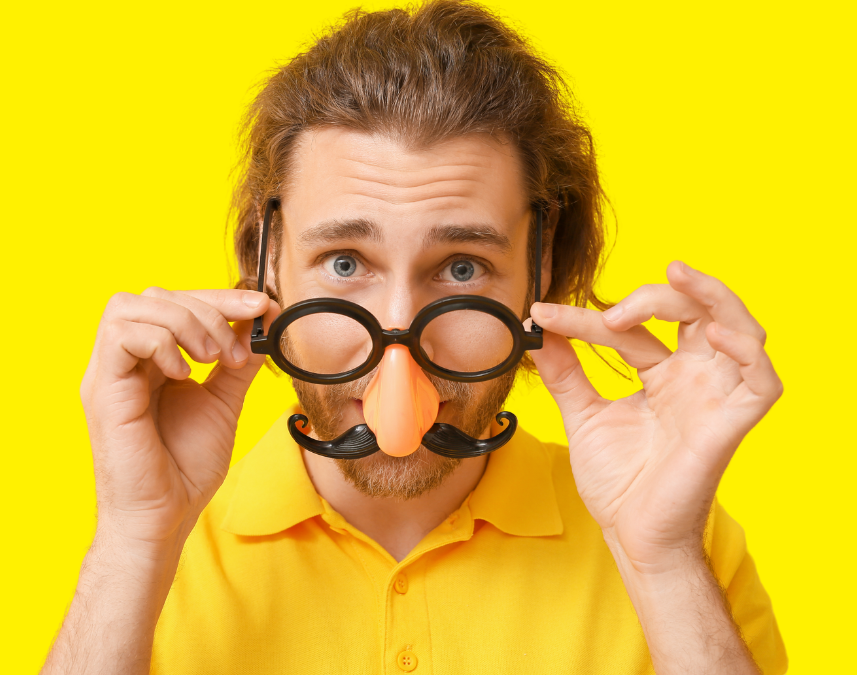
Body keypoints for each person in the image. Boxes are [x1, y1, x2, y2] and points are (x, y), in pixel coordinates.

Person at [41, 2, 787, 673]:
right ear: (268, 265)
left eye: (461, 266)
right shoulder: (148, 552)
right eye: (345, 263)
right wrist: (134, 542)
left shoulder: (670, 532)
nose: (398, 345)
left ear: (540, 272)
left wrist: (661, 562)